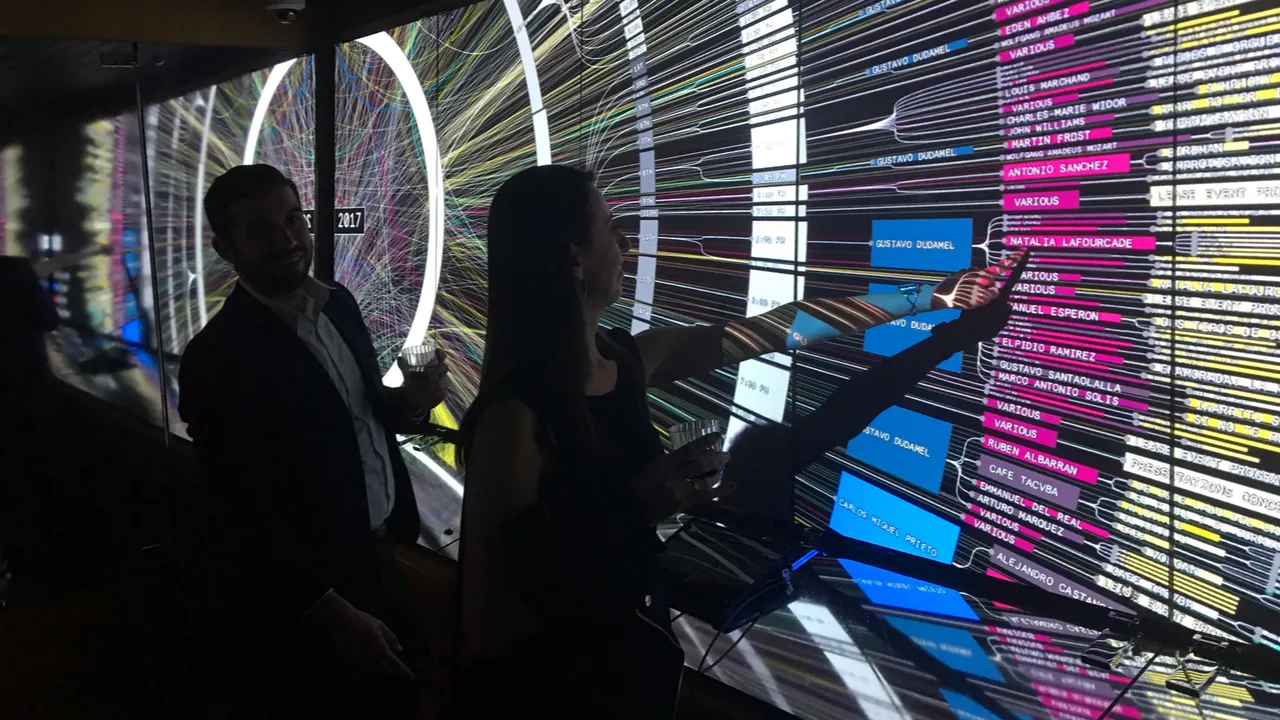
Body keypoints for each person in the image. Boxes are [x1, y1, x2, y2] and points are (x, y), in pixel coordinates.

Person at [452, 164, 1020, 716]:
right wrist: (638, 509)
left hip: (621, 674)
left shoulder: (624, 362)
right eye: (609, 226)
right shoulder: (515, 417)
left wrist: (936, 298)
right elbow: (490, 624)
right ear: (573, 259)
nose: (624, 241)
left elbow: (785, 326)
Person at [178, 164, 448, 718]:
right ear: (225, 247)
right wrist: (327, 606)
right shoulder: (217, 358)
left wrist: (413, 400)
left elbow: (362, 415)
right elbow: (240, 504)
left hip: (382, 554)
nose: (286, 240)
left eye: (293, 220)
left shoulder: (340, 304)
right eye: (260, 230)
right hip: (315, 591)